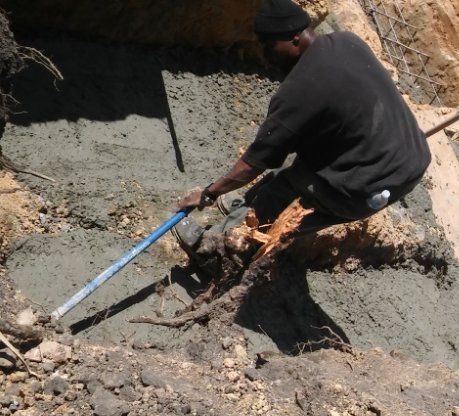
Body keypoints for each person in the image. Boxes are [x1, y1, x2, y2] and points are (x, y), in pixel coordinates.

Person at [176, 0, 430, 247]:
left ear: (294, 39)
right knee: (301, 173)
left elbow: (253, 164)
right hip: (409, 163)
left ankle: (217, 249)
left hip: (364, 186)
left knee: (280, 194)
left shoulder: (299, 91)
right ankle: (253, 220)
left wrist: (209, 193)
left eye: (268, 46)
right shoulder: (347, 41)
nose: (265, 56)